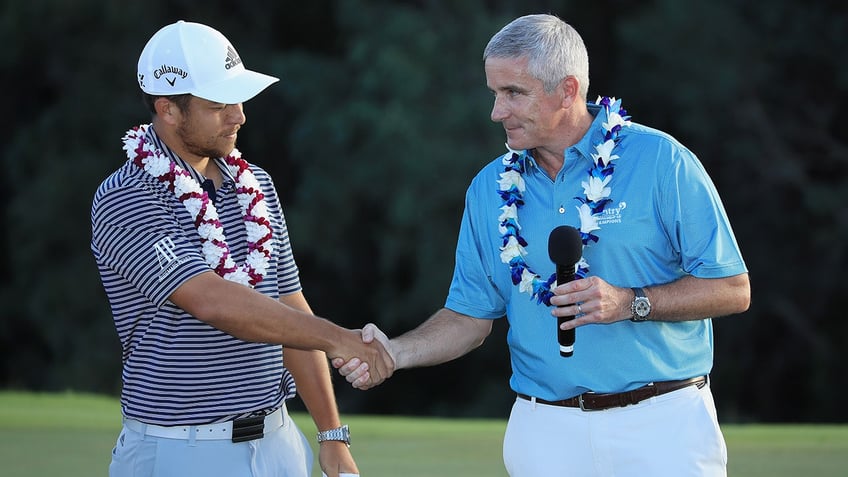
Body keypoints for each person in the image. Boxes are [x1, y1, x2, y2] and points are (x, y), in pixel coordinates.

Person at [334, 13, 751, 477]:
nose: (497, 111)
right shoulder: (489, 187)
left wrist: (628, 302)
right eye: (494, 93)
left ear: (568, 90)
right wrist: (395, 352)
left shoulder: (662, 161)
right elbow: (470, 316)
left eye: (514, 93)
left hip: (662, 427)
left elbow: (733, 288)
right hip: (544, 433)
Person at [91, 20, 390, 477]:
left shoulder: (256, 185)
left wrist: (331, 435)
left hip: (278, 443)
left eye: (239, 99)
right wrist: (340, 339)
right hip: (181, 450)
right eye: (219, 105)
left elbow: (289, 307)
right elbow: (211, 300)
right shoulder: (127, 195)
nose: (239, 116)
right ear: (168, 110)